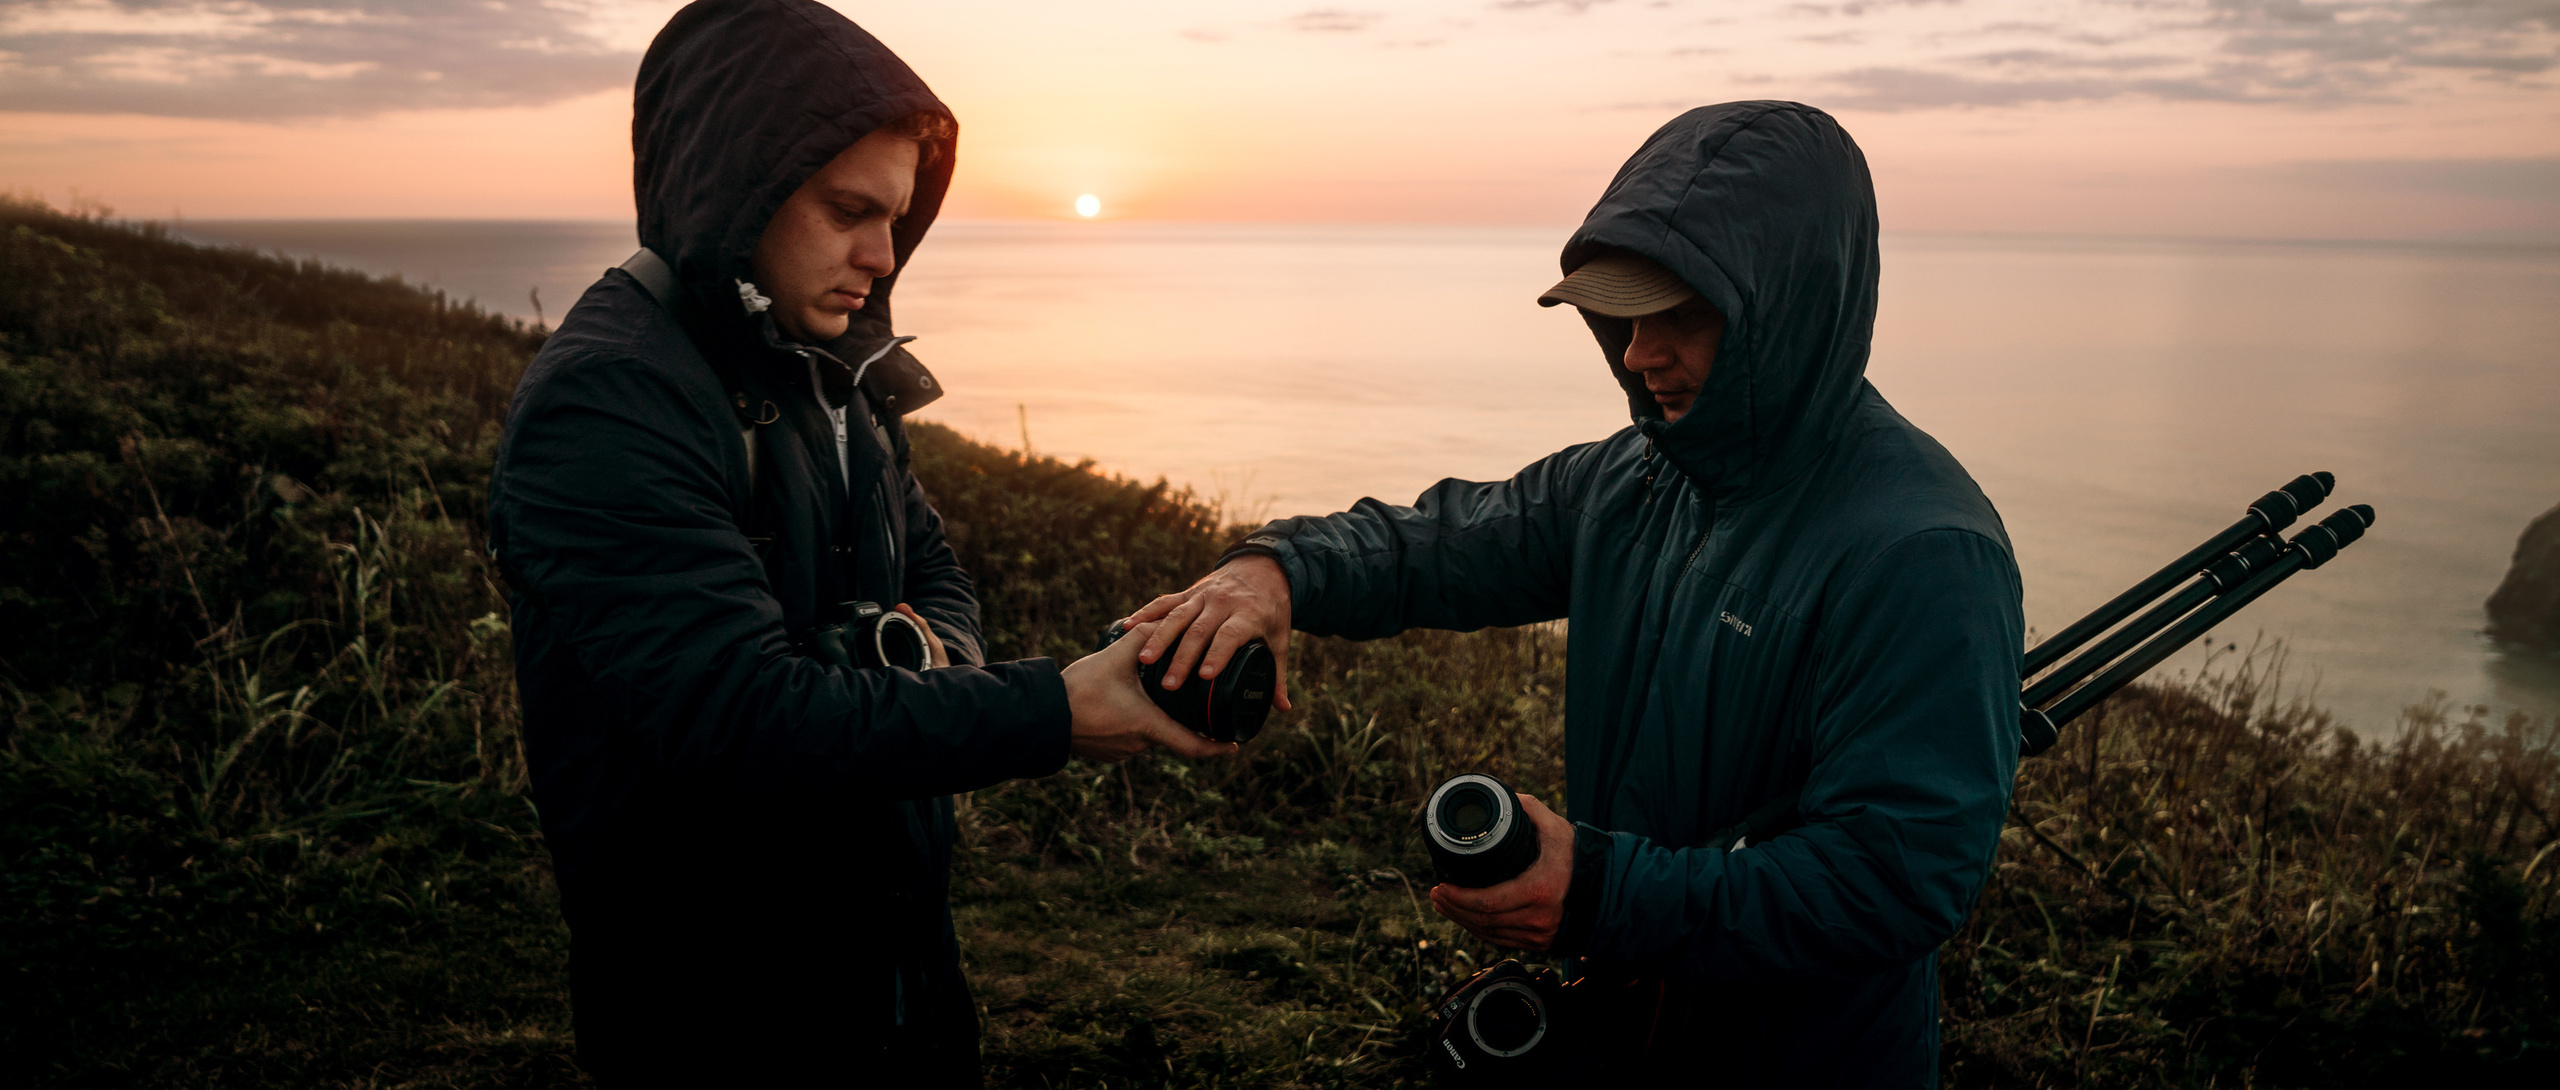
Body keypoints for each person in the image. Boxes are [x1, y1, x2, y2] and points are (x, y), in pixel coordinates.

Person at [1128, 101, 2024, 1085]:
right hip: (1620, 1029)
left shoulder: (1925, 551)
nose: (1639, 353)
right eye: (1623, 315)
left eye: (1682, 314)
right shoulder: (1637, 477)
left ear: (1790, 311)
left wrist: (1597, 892)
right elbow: (1439, 543)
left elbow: (1894, 882)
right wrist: (1276, 569)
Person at [485, 1, 1226, 1084]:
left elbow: (937, 572)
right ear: (738, 185)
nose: (882, 255)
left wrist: (925, 665)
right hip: (715, 1009)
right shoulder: (608, 402)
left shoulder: (828, 363)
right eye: (848, 211)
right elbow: (740, 718)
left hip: (896, 972)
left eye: (897, 217)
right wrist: (1048, 710)